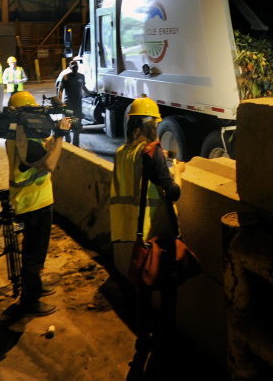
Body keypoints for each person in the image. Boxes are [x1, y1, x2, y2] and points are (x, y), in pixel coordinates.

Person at [109, 97, 184, 375]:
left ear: (131, 126)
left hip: (135, 232)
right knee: (167, 293)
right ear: (151, 126)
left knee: (142, 290)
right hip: (158, 233)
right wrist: (178, 173)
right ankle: (165, 350)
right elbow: (172, 192)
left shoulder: (121, 152)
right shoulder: (153, 153)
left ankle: (143, 343)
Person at [3, 92, 71, 315]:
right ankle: (30, 302)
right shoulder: (27, 142)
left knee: (35, 252)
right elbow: (49, 163)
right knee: (33, 256)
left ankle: (37, 288)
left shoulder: (18, 136)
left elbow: (42, 151)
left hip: (29, 201)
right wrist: (60, 136)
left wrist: (58, 130)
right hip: (34, 204)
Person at [58, 61, 94, 147]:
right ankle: (67, 140)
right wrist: (60, 102)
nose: (75, 68)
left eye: (76, 66)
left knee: (77, 123)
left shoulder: (81, 76)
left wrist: (90, 93)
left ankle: (76, 143)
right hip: (68, 104)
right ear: (69, 67)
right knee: (67, 122)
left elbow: (83, 87)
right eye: (73, 66)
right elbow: (60, 89)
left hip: (78, 104)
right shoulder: (66, 77)